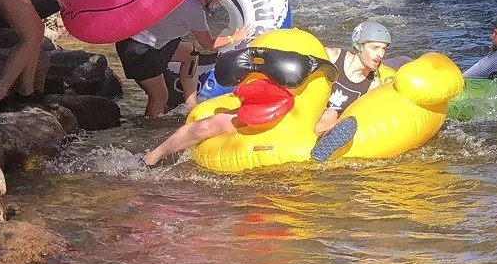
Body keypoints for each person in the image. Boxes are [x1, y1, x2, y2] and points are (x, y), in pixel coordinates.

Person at [143, 20, 392, 167]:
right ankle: (153, 157)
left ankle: (325, 141)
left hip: (313, 122)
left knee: (330, 113)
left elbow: (375, 109)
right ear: (359, 47)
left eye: (383, 49)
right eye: (375, 47)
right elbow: (293, 50)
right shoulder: (331, 56)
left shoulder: (373, 84)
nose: (380, 54)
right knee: (210, 125)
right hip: (283, 106)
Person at [115, 0, 250, 118]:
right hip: (138, 50)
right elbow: (208, 44)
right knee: (160, 97)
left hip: (146, 42)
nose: (221, 0)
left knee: (189, 52)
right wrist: (235, 37)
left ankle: (191, 104)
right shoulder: (193, 10)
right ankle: (149, 130)